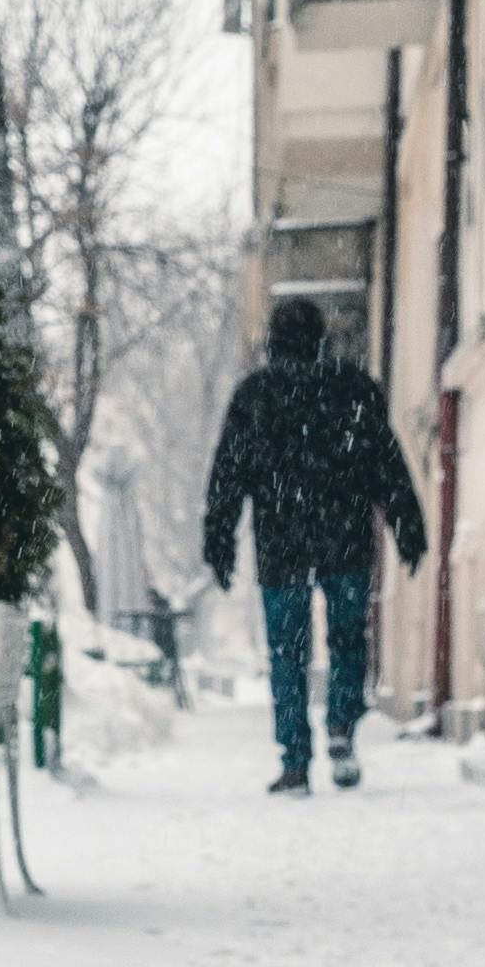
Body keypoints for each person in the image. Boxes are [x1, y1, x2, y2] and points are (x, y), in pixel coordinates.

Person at [200, 299, 430, 793]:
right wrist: (406, 524)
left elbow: (227, 476)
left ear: (273, 341)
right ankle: (343, 723)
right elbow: (386, 464)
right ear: (321, 338)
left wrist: (218, 540)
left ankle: (295, 760)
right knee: (349, 640)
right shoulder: (353, 389)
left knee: (288, 652)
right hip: (344, 537)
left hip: (281, 544)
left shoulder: (256, 395)